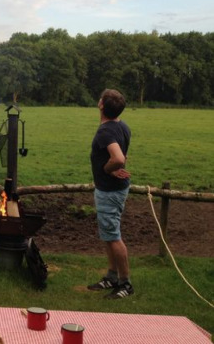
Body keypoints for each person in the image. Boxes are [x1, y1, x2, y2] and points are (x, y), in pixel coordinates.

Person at [87, 88, 133, 299]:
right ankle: (112, 277)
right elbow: (123, 155)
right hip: (114, 189)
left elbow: (119, 158)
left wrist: (108, 169)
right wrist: (115, 167)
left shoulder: (105, 132)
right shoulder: (122, 126)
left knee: (113, 236)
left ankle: (125, 284)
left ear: (101, 105)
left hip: (109, 191)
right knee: (108, 234)